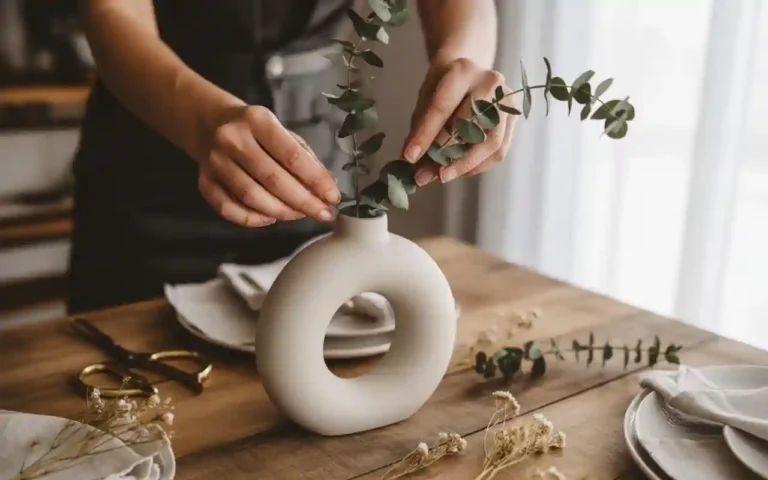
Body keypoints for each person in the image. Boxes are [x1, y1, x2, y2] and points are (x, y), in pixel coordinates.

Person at [67, 0, 515, 314]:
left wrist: (464, 60)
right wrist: (203, 123)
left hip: (314, 167)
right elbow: (112, 10)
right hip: (149, 166)